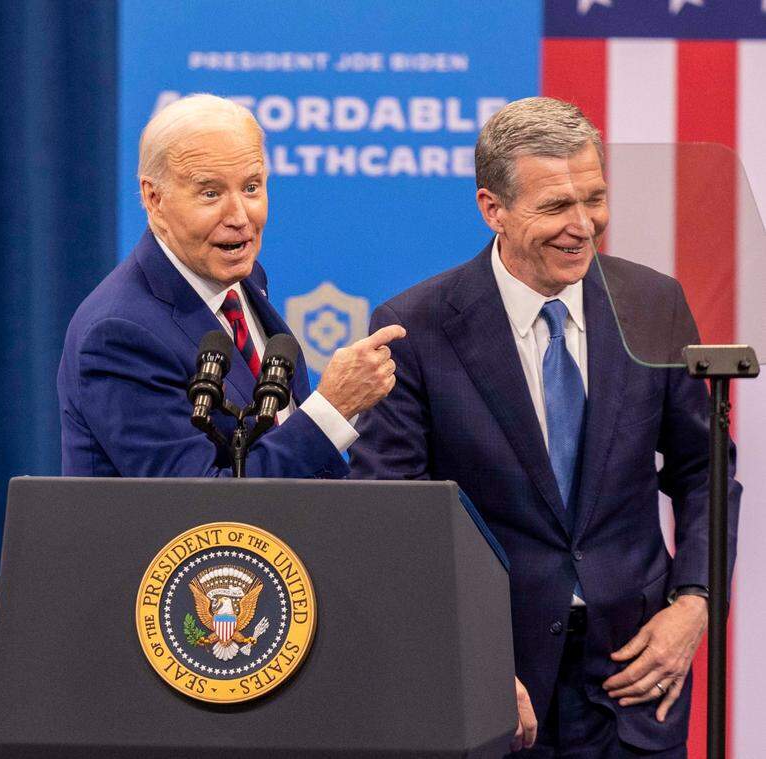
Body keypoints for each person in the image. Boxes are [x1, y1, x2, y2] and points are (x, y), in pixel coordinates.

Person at [349, 97, 740, 757]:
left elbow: (703, 468)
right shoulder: (417, 327)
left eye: (595, 199)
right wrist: (463, 667)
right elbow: (396, 522)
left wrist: (695, 601)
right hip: (496, 689)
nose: (584, 226)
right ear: (492, 208)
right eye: (557, 207)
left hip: (636, 681)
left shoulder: (654, 303)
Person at [58, 94, 403, 478]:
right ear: (154, 199)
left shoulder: (243, 279)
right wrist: (330, 410)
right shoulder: (118, 334)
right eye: (211, 193)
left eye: (252, 187)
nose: (240, 216)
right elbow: (201, 510)